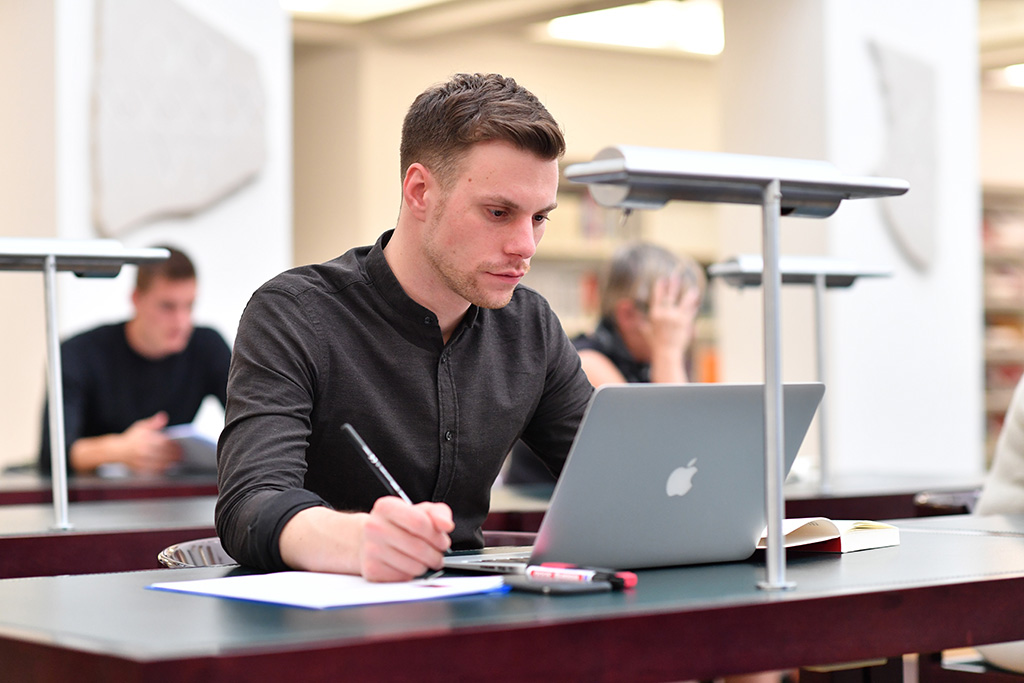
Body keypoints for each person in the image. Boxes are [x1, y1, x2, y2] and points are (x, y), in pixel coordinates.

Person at [215, 73, 595, 582]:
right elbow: (249, 503)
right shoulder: (293, 314)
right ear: (419, 191)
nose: (526, 245)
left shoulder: (531, 327)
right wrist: (355, 540)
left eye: (539, 217)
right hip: (325, 627)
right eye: (499, 212)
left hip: (476, 620)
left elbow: (610, 482)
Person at [504, 241, 704, 485]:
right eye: (675, 314)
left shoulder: (646, 364)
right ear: (628, 315)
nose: (688, 329)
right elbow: (671, 457)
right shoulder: (587, 364)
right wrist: (669, 352)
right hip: (537, 517)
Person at [38, 246, 231, 477]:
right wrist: (117, 450)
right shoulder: (78, 353)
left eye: (189, 306)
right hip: (93, 499)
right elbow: (53, 453)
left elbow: (254, 419)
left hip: (169, 496)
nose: (182, 322)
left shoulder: (207, 347)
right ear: (136, 299)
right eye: (167, 307)